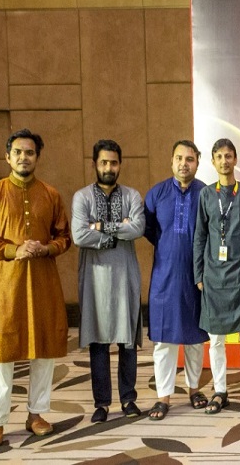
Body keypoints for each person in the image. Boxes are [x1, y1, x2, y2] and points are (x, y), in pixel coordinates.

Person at [0, 129, 71, 448]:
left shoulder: (50, 194)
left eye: (29, 152)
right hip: (6, 289)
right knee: (0, 355)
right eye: (18, 152)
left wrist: (46, 248)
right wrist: (14, 250)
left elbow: (64, 237)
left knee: (44, 351)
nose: (23, 157)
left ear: (37, 157)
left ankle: (36, 414)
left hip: (43, 286)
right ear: (7, 156)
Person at [71, 139, 146, 423]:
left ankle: (128, 399)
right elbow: (79, 235)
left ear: (120, 165)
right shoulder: (82, 197)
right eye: (103, 162)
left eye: (113, 162)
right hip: (95, 279)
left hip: (125, 276)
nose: (108, 167)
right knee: (98, 342)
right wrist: (117, 231)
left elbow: (137, 228)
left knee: (127, 342)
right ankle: (101, 404)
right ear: (94, 164)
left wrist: (100, 226)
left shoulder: (132, 195)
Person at [144, 140, 210, 420]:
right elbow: (148, 228)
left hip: (196, 277)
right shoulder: (156, 194)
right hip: (165, 276)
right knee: (164, 341)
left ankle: (195, 389)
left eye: (190, 159)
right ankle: (163, 397)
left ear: (197, 163)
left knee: (195, 338)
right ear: (171, 161)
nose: (184, 164)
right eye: (179, 158)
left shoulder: (205, 193)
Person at [194, 138, 240, 414]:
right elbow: (199, 237)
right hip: (213, 278)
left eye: (229, 156)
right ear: (213, 161)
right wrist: (198, 274)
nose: (224, 161)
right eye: (219, 156)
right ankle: (220, 391)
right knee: (216, 340)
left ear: (236, 160)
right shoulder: (206, 195)